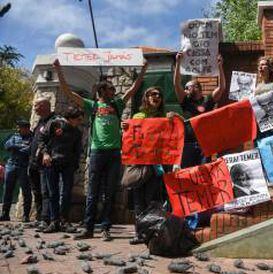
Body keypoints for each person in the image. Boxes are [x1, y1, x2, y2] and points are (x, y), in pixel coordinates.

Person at [53, 58, 148, 241]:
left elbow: (133, 88)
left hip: (114, 153)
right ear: (103, 90)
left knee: (109, 192)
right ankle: (88, 227)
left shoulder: (117, 105)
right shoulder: (93, 105)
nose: (114, 91)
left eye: (114, 89)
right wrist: (58, 70)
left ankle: (106, 228)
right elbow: (67, 92)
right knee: (93, 192)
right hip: (96, 153)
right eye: (111, 88)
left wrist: (143, 69)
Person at [121, 87, 181, 244]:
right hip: (140, 165)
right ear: (145, 98)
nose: (157, 97)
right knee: (139, 200)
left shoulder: (165, 117)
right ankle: (139, 233)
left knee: (152, 200)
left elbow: (180, 128)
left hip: (156, 166)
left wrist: (176, 117)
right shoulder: (138, 116)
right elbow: (131, 138)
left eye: (159, 95)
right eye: (153, 94)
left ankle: (150, 232)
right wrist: (126, 128)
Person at [174, 52, 225, 168]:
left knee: (204, 173)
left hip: (204, 144)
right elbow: (176, 84)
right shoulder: (185, 101)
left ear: (196, 87)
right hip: (187, 144)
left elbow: (221, 87)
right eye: (185, 88)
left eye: (187, 87)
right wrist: (178, 63)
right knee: (188, 173)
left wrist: (220, 67)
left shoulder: (208, 100)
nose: (185, 90)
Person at [38, 106, 84, 233]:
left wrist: (75, 165)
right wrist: (45, 154)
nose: (80, 122)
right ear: (71, 118)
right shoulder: (55, 123)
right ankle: (54, 221)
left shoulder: (77, 132)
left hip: (68, 165)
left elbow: (77, 149)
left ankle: (64, 221)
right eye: (78, 119)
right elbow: (41, 139)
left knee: (66, 193)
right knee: (53, 193)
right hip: (52, 162)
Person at [28, 97, 57, 229]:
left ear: (45, 105)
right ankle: (39, 217)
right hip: (34, 163)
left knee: (46, 191)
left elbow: (51, 142)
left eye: (37, 105)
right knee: (37, 191)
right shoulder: (40, 121)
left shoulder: (54, 121)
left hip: (45, 163)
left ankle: (47, 219)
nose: (35, 108)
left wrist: (46, 154)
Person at [0, 120, 32, 222]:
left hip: (24, 166)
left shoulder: (32, 137)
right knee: (7, 190)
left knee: (26, 191)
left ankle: (26, 215)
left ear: (26, 128)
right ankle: (5, 214)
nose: (18, 129)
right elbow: (7, 145)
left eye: (20, 127)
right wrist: (20, 146)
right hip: (11, 165)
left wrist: (16, 147)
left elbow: (29, 150)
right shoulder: (14, 136)